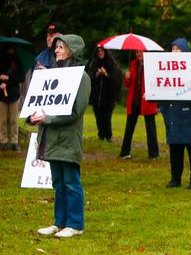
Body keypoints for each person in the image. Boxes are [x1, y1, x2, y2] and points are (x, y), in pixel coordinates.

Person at [30, 34, 91, 238]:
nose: (55, 50)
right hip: (52, 139)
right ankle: (60, 222)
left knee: (71, 182)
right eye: (56, 47)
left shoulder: (81, 78)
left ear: (71, 50)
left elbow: (75, 111)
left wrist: (46, 119)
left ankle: (75, 224)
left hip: (68, 139)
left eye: (60, 47)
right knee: (58, 183)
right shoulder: (53, 75)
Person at [159, 38, 191, 189]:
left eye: (178, 49)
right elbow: (159, 88)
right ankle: (175, 179)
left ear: (185, 51)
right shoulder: (164, 70)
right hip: (173, 116)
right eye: (172, 49)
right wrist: (151, 96)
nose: (174, 52)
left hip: (190, 116)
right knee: (175, 149)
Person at [119, 49, 159, 159]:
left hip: (147, 101)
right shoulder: (133, 64)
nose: (139, 54)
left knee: (150, 128)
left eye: (141, 52)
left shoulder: (152, 65)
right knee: (129, 128)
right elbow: (128, 84)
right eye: (137, 52)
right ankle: (124, 152)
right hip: (134, 101)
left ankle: (154, 154)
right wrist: (126, 78)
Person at [86, 45, 121, 142]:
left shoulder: (112, 65)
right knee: (98, 117)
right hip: (96, 96)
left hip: (108, 97)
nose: (100, 52)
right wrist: (96, 75)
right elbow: (89, 78)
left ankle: (108, 135)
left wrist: (106, 74)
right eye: (99, 51)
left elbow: (116, 81)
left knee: (107, 117)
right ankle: (101, 134)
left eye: (102, 51)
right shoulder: (93, 63)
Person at [0, 44, 25, 151]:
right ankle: (3, 141)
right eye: (8, 49)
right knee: (2, 120)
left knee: (14, 120)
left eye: (12, 49)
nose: (10, 51)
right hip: (1, 96)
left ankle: (14, 142)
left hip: (14, 95)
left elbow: (21, 78)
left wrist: (9, 79)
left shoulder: (18, 62)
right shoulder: (0, 61)